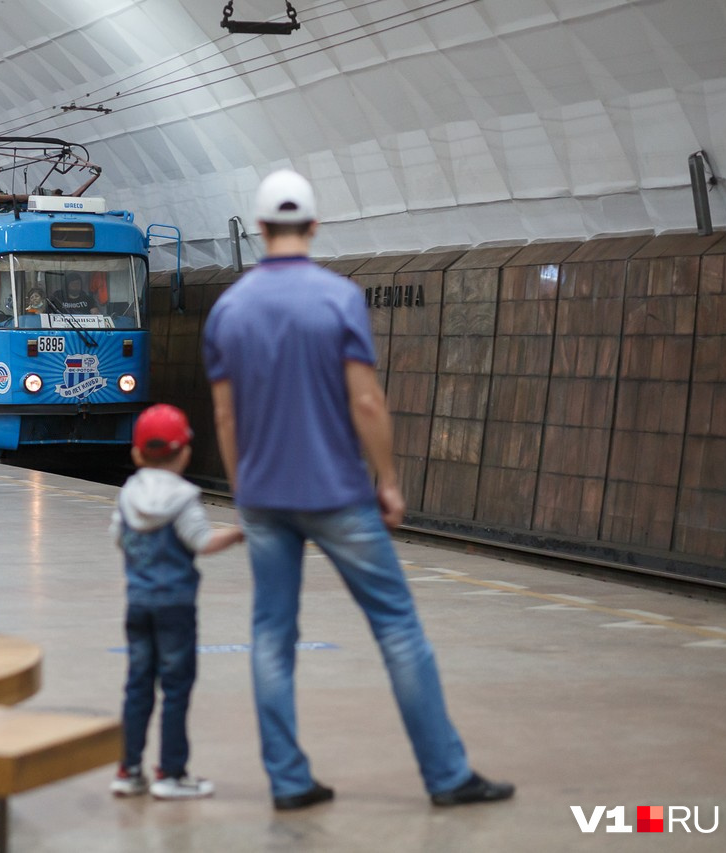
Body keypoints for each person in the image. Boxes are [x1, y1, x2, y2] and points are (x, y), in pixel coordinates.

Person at [202, 169, 514, 811]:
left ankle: (289, 781)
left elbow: (226, 418)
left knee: (271, 636)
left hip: (266, 499)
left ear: (259, 231)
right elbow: (366, 402)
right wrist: (390, 481)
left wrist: (246, 493)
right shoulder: (339, 298)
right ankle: (447, 776)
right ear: (314, 227)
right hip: (339, 494)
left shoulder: (228, 310)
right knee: (397, 629)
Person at [109, 404, 244, 801]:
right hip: (176, 608)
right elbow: (202, 542)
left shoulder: (129, 493)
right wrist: (238, 534)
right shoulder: (184, 498)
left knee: (137, 686)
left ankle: (128, 770)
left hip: (137, 604)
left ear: (136, 454)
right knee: (176, 688)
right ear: (184, 453)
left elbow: (119, 538)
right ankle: (170, 772)